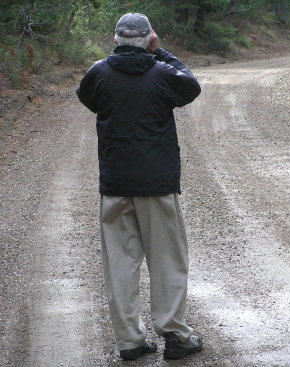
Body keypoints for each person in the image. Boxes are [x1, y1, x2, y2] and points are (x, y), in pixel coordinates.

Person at [76, 12, 202, 361]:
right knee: (167, 260)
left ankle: (130, 340)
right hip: (157, 184)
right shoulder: (162, 72)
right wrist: (160, 53)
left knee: (119, 263)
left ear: (115, 38)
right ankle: (175, 335)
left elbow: (89, 100)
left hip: (115, 183)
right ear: (149, 39)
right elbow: (190, 86)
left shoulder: (97, 73)